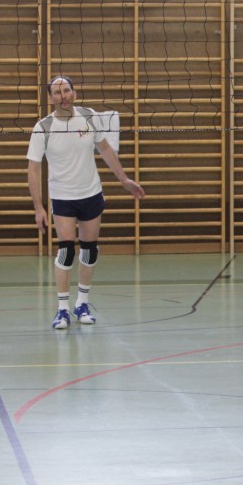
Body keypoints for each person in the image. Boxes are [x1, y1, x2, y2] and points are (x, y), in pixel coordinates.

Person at [27, 76, 145, 331]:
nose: (63, 96)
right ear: (51, 98)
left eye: (66, 90)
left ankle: (82, 303)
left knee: (89, 250)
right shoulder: (43, 127)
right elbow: (33, 169)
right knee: (67, 251)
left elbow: (105, 149)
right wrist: (38, 207)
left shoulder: (89, 117)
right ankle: (62, 308)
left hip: (91, 193)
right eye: (57, 92)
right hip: (62, 197)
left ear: (74, 93)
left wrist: (124, 180)